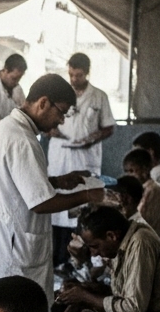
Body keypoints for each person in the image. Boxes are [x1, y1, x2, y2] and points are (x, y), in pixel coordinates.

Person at [0, 74, 107, 308]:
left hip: (3, 239)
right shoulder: (22, 139)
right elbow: (41, 204)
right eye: (61, 112)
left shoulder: (5, 128)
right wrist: (90, 195)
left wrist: (56, 181)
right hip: (14, 247)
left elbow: (15, 181)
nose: (60, 122)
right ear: (43, 102)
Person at [45, 205, 160, 312]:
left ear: (111, 235)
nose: (94, 254)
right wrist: (85, 289)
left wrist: (85, 296)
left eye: (95, 246)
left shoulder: (141, 243)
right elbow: (122, 291)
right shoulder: (124, 243)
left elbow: (133, 310)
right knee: (76, 310)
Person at [47, 53, 117, 263]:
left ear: (87, 73)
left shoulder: (99, 96)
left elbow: (108, 127)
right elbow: (46, 123)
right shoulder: (59, 93)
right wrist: (53, 132)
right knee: (57, 207)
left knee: (82, 209)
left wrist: (92, 138)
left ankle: (79, 260)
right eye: (71, 74)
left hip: (86, 156)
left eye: (78, 75)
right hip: (60, 154)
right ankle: (58, 258)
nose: (74, 79)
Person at [122, 150, 160, 237]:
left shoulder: (152, 190)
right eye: (127, 172)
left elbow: (140, 219)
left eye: (132, 171)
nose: (128, 175)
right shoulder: (141, 188)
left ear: (145, 169)